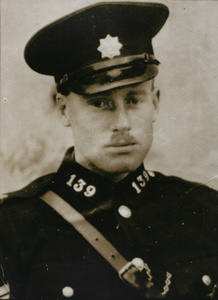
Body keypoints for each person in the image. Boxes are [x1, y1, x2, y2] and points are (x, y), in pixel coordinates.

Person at [0, 2, 217, 299]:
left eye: (133, 100)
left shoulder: (204, 210)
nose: (122, 123)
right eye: (100, 103)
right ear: (64, 110)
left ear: (154, 102)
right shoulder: (12, 228)